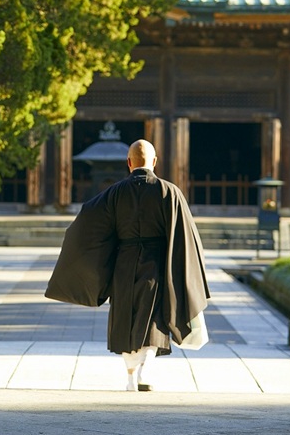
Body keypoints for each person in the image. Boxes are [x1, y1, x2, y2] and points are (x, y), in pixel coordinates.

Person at [45, 139, 210, 391]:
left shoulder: (114, 192)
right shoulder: (169, 191)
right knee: (152, 319)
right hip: (155, 265)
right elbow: (185, 236)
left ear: (129, 162)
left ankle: (131, 375)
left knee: (126, 317)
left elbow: (88, 219)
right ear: (154, 162)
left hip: (124, 263)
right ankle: (144, 372)